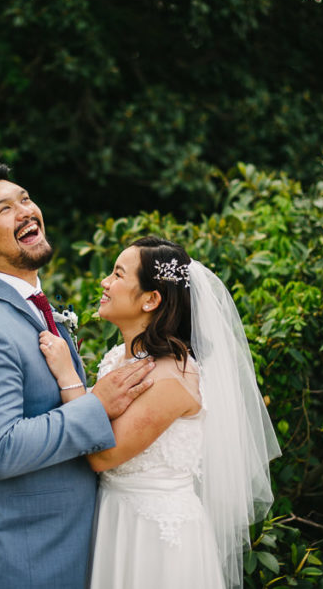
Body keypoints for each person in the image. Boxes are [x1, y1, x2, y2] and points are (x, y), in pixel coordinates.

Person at [0, 162, 155, 589]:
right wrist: (98, 405)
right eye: (3, 209)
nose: (25, 211)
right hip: (12, 562)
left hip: (61, 553)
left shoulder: (31, 303)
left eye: (25, 199)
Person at [40, 236, 281, 589]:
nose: (105, 283)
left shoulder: (172, 375)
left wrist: (68, 378)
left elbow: (103, 455)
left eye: (118, 275)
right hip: (114, 518)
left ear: (151, 299)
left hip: (153, 535)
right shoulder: (120, 357)